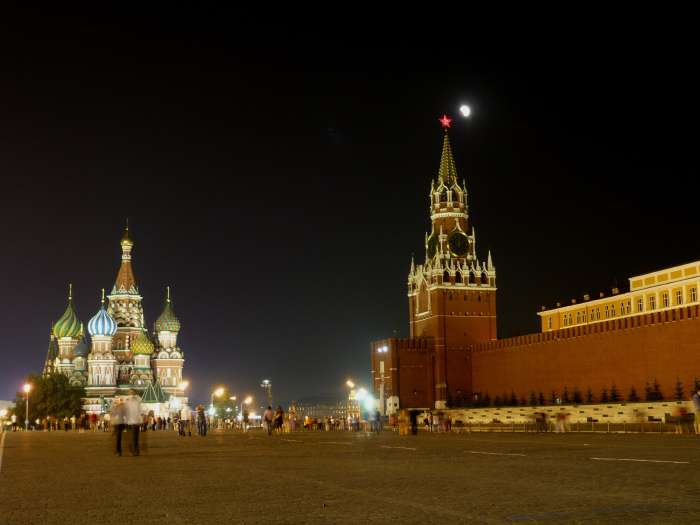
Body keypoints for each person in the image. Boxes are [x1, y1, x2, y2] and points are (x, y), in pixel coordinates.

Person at [124, 389, 142, 456]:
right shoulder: (137, 401)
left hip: (132, 421)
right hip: (135, 421)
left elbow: (126, 412)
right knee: (135, 437)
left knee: (133, 437)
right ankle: (136, 451)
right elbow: (140, 411)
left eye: (131, 392)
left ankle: (135, 451)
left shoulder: (128, 401)